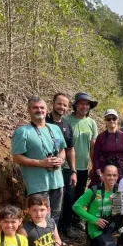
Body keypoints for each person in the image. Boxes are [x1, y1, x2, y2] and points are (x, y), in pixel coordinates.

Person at [12, 96, 66, 223]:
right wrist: (41, 163)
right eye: (35, 108)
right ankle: (42, 242)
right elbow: (16, 157)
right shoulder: (22, 132)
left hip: (57, 181)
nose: (39, 110)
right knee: (42, 217)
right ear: (29, 110)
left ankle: (54, 241)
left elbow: (62, 150)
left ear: (46, 110)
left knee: (56, 214)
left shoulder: (55, 129)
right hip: (37, 184)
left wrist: (61, 160)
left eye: (42, 107)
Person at [61, 93, 98, 236]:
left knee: (80, 195)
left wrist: (93, 166)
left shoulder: (92, 123)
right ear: (75, 105)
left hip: (83, 166)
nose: (84, 106)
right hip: (68, 167)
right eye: (81, 103)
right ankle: (66, 225)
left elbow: (92, 146)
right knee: (68, 196)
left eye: (87, 104)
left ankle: (77, 221)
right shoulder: (66, 120)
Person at [46, 94, 77, 230]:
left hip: (62, 169)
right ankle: (45, 232)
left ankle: (62, 229)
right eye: (59, 104)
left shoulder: (66, 124)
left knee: (66, 199)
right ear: (53, 103)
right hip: (44, 170)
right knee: (46, 204)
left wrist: (73, 171)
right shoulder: (44, 120)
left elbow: (70, 149)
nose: (62, 107)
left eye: (65, 105)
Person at [91, 109, 123, 184]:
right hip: (104, 170)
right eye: (108, 119)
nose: (111, 121)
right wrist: (99, 174)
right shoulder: (100, 137)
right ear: (105, 121)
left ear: (117, 120)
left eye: (114, 118)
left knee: (120, 194)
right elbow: (95, 157)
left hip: (121, 171)